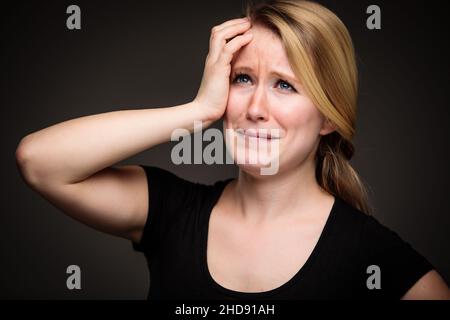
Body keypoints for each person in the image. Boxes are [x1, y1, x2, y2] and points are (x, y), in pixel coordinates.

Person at [16, 0, 449, 300]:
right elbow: (40, 161)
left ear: (329, 117)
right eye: (243, 79)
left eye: (285, 85)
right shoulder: (171, 211)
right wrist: (198, 111)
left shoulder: (368, 253)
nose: (255, 109)